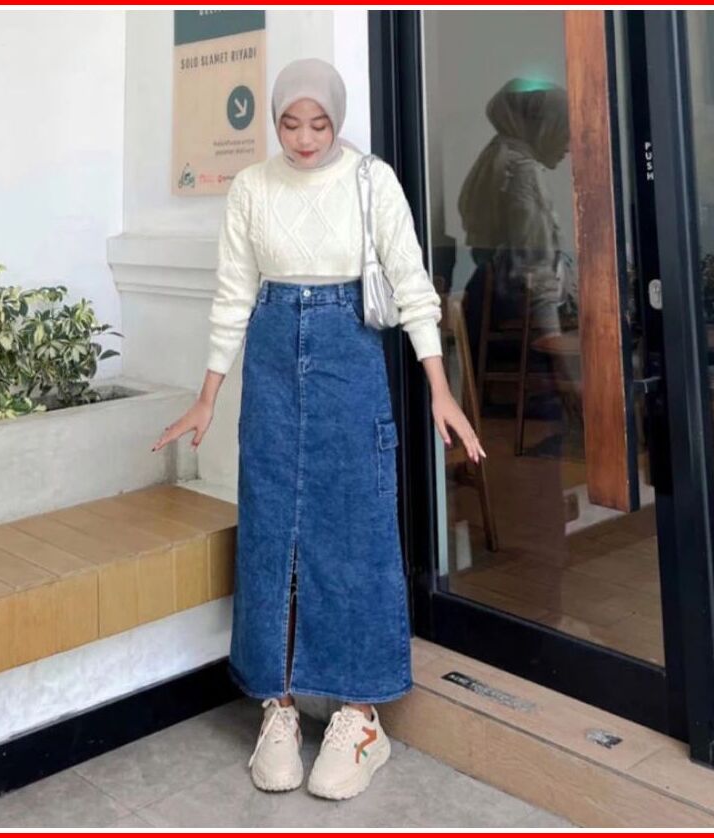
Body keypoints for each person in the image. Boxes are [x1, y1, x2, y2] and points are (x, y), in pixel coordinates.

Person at [153, 57, 484, 801]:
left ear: (338, 120)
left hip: (349, 354)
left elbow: (412, 286)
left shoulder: (372, 180)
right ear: (275, 121)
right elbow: (233, 294)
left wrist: (440, 388)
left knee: (357, 528)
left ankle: (361, 719)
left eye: (320, 123)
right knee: (269, 527)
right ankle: (276, 707)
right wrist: (208, 396)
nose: (304, 138)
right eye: (290, 123)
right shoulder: (251, 188)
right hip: (271, 355)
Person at [457, 77, 576, 372]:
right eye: (564, 129)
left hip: (490, 312)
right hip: (520, 328)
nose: (569, 145)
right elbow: (534, 262)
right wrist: (554, 341)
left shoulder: (493, 155)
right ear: (544, 126)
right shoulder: (523, 171)